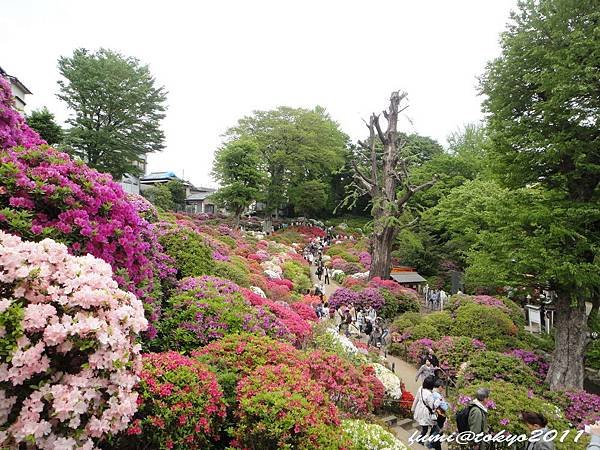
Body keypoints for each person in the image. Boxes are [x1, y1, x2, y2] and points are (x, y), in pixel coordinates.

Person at [411, 376, 437, 440]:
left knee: (424, 427)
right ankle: (420, 441)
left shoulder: (421, 389)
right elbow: (432, 406)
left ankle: (421, 440)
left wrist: (413, 408)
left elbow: (416, 399)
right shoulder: (429, 394)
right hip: (425, 412)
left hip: (419, 409)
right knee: (425, 429)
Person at [428, 379, 449, 450]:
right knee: (438, 431)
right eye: (443, 387)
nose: (443, 389)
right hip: (439, 416)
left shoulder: (432, 393)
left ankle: (434, 445)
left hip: (434, 415)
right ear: (439, 387)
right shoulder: (438, 396)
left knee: (434, 430)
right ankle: (430, 444)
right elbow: (445, 407)